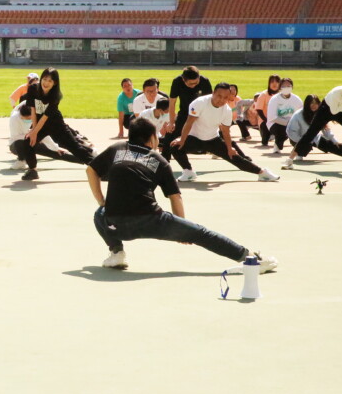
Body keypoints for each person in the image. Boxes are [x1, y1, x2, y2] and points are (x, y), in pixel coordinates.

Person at [87, 117, 278, 272]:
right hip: (151, 220)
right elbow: (175, 196)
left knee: (99, 213)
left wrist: (102, 201)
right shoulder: (159, 160)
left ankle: (117, 253)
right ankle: (250, 259)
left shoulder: (116, 149)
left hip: (116, 224)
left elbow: (91, 170)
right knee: (201, 233)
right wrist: (182, 229)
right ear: (151, 138)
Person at [170, 82, 280, 182]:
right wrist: (182, 140)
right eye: (219, 96)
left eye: (225, 97)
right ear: (213, 93)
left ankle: (262, 173)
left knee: (234, 157)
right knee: (175, 146)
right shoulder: (199, 103)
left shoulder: (226, 110)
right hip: (194, 138)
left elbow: (225, 132)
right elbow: (188, 123)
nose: (222, 100)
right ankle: (188, 171)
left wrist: (229, 148)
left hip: (213, 139)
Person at [21, 67, 95, 181]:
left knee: (74, 147)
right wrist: (33, 131)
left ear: (54, 83)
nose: (46, 83)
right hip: (39, 123)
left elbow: (46, 116)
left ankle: (98, 168)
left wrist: (35, 131)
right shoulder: (33, 88)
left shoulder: (56, 95)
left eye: (50, 81)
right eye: (44, 79)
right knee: (28, 141)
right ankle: (32, 171)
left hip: (55, 124)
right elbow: (33, 110)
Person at [288, 84, 342, 162]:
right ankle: (290, 158)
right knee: (311, 133)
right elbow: (334, 112)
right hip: (326, 109)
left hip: (340, 109)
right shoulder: (336, 93)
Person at [281, 94, 342, 170]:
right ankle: (298, 154)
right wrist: (302, 141)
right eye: (311, 103)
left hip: (314, 138)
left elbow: (326, 130)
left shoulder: (320, 114)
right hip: (297, 139)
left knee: (330, 145)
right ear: (307, 104)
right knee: (305, 144)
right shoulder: (298, 115)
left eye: (316, 103)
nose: (314, 105)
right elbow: (291, 132)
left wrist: (334, 141)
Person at [9, 102, 83, 170]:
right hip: (16, 146)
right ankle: (21, 160)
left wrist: (55, 148)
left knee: (56, 152)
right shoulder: (14, 119)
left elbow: (43, 134)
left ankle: (85, 160)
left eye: (31, 118)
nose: (29, 120)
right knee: (19, 143)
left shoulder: (37, 117)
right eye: (27, 118)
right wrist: (31, 135)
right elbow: (16, 137)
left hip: (32, 141)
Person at [162, 66, 213, 160]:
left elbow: (210, 102)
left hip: (201, 115)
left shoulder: (205, 81)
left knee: (217, 135)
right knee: (169, 135)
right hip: (184, 113)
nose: (193, 85)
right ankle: (164, 161)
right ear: (183, 79)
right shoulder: (177, 81)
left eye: (196, 83)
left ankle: (232, 153)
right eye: (190, 84)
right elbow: (172, 102)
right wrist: (171, 122)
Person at [266, 77, 302, 154]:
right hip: (275, 124)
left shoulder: (297, 99)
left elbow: (301, 114)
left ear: (292, 87)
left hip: (292, 123)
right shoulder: (274, 99)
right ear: (280, 87)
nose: (286, 88)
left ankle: (298, 147)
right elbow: (273, 117)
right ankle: (278, 144)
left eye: (288, 86)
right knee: (282, 129)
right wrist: (288, 123)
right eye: (284, 86)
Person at [254, 74, 281, 147]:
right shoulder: (263, 95)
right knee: (265, 139)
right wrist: (266, 120)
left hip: (278, 120)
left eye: (277, 82)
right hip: (265, 120)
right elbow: (259, 109)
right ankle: (266, 136)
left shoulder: (282, 95)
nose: (274, 84)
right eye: (272, 82)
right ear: (269, 83)